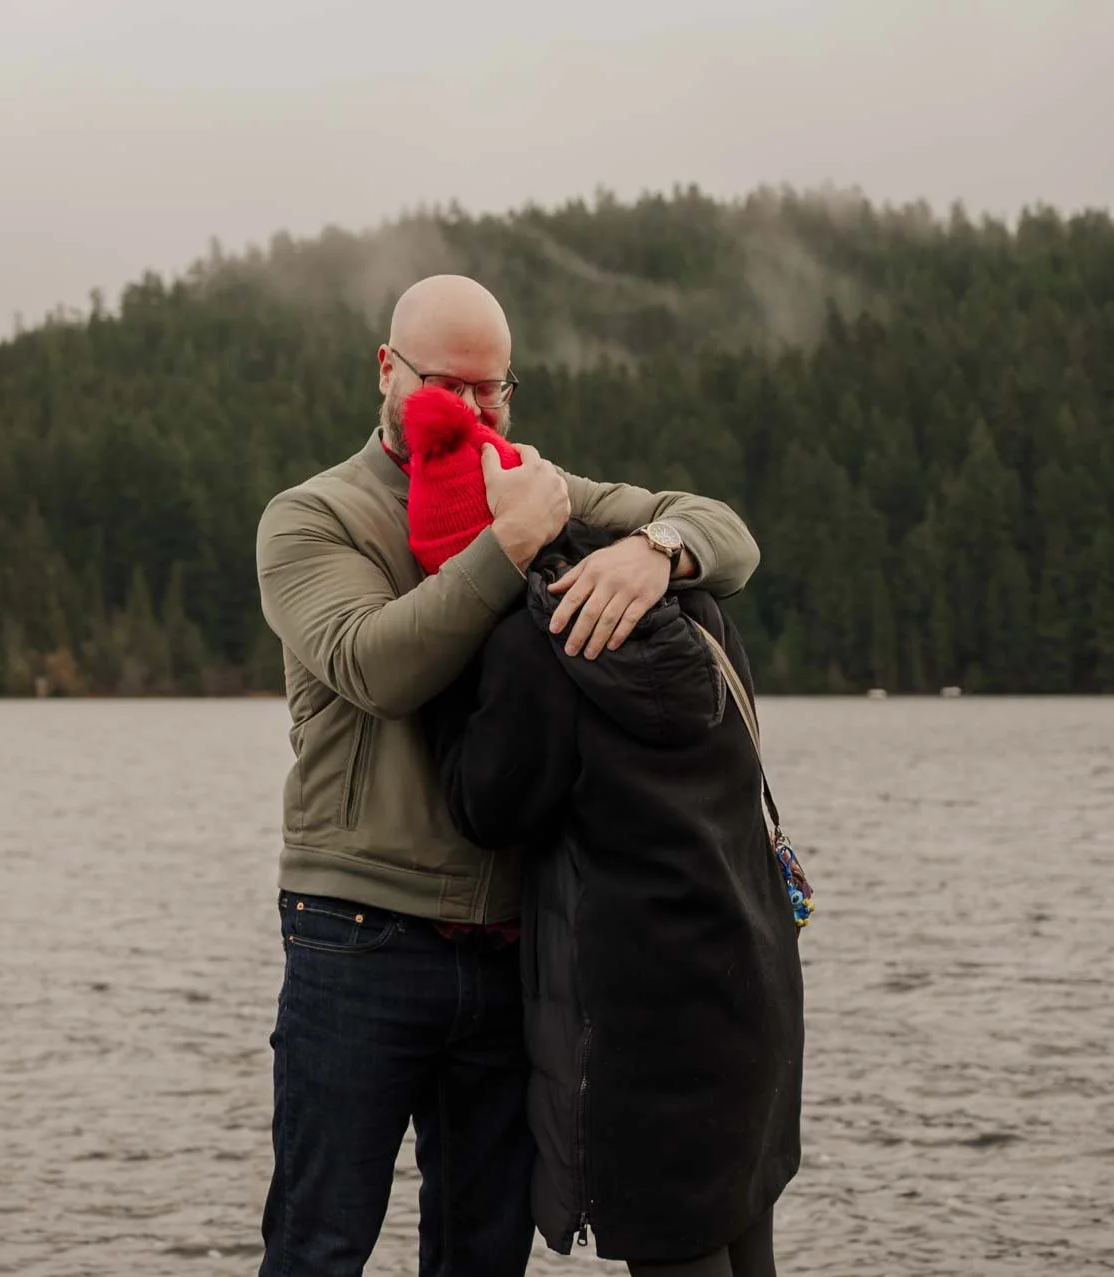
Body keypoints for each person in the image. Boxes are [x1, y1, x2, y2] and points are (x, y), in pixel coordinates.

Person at [252, 274, 760, 1275]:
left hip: (510, 950)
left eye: (499, 389)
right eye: (454, 385)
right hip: (357, 936)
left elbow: (729, 533)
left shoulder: (533, 480)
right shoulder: (314, 517)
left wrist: (657, 551)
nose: (481, 412)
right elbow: (378, 664)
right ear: (388, 371)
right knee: (318, 1245)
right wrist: (510, 540)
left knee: (483, 1255)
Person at [407, 390, 804, 1277]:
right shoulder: (692, 606)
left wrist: (449, 676)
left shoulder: (530, 647)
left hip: (641, 1028)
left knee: (675, 1246)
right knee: (746, 1240)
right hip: (751, 985)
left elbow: (487, 808)